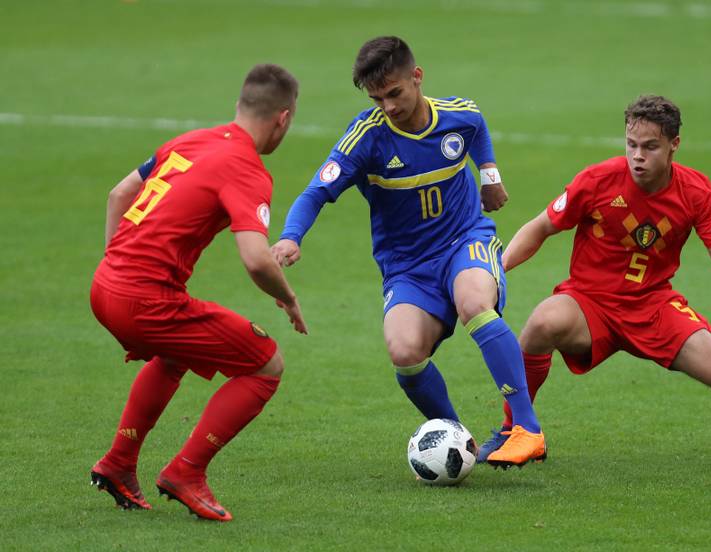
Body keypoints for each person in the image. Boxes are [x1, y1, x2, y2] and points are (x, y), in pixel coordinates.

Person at [478, 95, 711, 463]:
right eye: (631, 145)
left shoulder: (696, 191)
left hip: (654, 306)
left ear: (674, 145)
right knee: (541, 324)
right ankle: (515, 431)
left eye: (650, 147)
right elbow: (540, 227)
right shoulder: (597, 180)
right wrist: (497, 272)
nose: (637, 156)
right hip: (590, 303)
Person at [272, 36, 545, 467]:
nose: (389, 106)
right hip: (408, 268)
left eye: (395, 93)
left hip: (464, 241)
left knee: (474, 300)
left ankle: (526, 429)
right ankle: (461, 441)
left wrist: (490, 175)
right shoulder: (366, 138)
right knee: (403, 351)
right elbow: (315, 192)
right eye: (377, 98)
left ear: (417, 78)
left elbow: (477, 127)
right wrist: (291, 236)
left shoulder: (457, 115)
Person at [89, 64, 306, 522]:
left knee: (176, 352)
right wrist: (287, 297)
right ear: (283, 119)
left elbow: (118, 194)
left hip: (105, 285)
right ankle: (187, 471)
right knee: (265, 363)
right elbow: (254, 258)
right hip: (144, 301)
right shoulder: (249, 170)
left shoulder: (189, 140)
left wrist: (119, 266)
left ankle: (118, 463)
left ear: (238, 106)